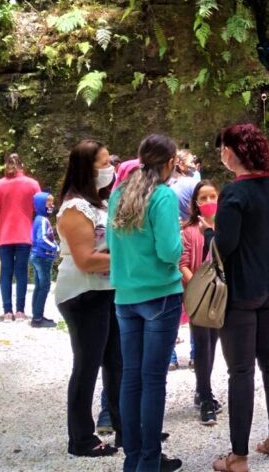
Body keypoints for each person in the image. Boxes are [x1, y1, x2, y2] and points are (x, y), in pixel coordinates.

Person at [211, 123, 269, 472]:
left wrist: (210, 238)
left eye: (224, 149)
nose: (222, 154)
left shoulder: (234, 194)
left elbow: (226, 244)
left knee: (241, 371)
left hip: (242, 291)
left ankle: (238, 457)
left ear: (234, 153)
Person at [107, 135, 184, 472]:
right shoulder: (163, 196)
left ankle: (133, 458)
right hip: (160, 294)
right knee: (153, 380)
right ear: (169, 163)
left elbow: (111, 243)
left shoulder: (119, 194)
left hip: (125, 296)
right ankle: (150, 461)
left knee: (131, 379)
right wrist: (179, 252)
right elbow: (169, 251)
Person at [54, 139, 122, 457]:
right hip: (83, 293)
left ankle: (127, 428)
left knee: (116, 363)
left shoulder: (100, 204)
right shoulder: (74, 207)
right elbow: (85, 259)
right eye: (103, 163)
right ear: (87, 167)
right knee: (87, 365)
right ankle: (80, 438)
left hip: (106, 291)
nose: (110, 168)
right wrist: (129, 259)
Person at [181, 180, 222, 426]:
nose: (208, 202)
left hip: (220, 295)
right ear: (196, 203)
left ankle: (201, 390)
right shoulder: (189, 231)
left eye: (212, 196)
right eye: (203, 198)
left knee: (212, 343)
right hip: (198, 296)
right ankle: (206, 398)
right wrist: (197, 286)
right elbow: (183, 262)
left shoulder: (226, 226)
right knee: (202, 344)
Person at [0, 153, 41, 321]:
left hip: (4, 234)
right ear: (22, 165)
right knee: (22, 272)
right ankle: (21, 310)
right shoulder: (32, 184)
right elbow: (39, 208)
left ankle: (7, 311)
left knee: (6, 272)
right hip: (24, 233)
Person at [30, 191, 59, 328]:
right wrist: (55, 247)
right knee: (44, 287)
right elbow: (42, 238)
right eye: (49, 202)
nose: (51, 205)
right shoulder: (42, 220)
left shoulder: (40, 218)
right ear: (41, 204)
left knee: (39, 286)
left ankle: (36, 315)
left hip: (38, 255)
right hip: (43, 256)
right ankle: (37, 318)